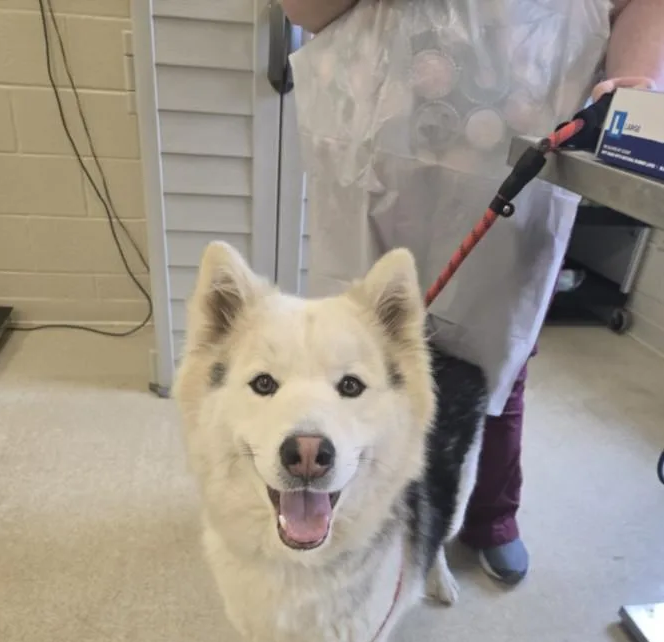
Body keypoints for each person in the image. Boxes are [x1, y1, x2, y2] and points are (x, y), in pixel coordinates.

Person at [282, 0, 663, 585]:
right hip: (375, 156)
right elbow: (305, 11)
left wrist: (638, 83)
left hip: (519, 149)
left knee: (495, 358)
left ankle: (491, 515)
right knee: (356, 357)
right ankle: (350, 508)